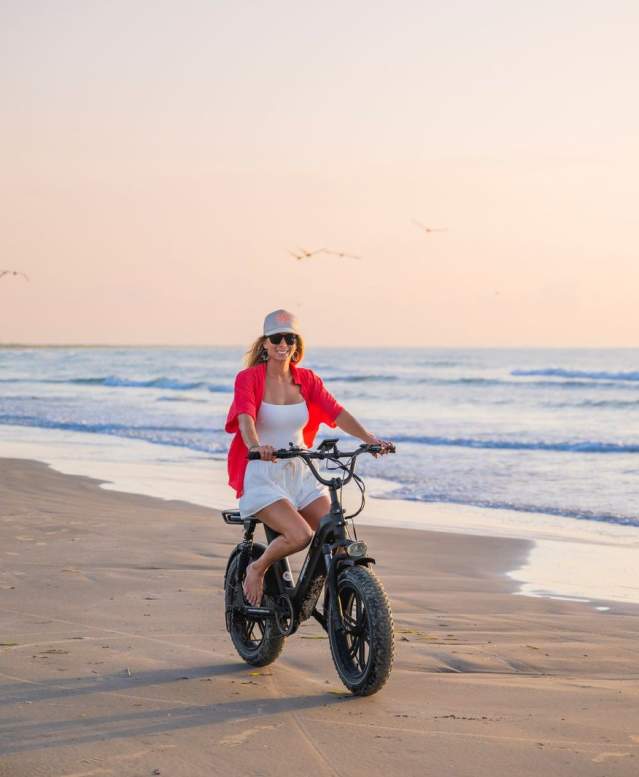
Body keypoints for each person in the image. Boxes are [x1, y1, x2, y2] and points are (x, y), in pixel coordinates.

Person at [225, 309, 392, 606]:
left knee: (336, 535)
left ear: (297, 343)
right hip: (264, 473)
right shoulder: (248, 378)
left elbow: (336, 412)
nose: (283, 343)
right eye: (276, 338)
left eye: (290, 338)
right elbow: (245, 418)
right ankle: (257, 567)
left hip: (301, 474)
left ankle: (342, 600)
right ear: (265, 343)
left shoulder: (307, 380)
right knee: (300, 535)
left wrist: (370, 440)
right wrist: (256, 445)